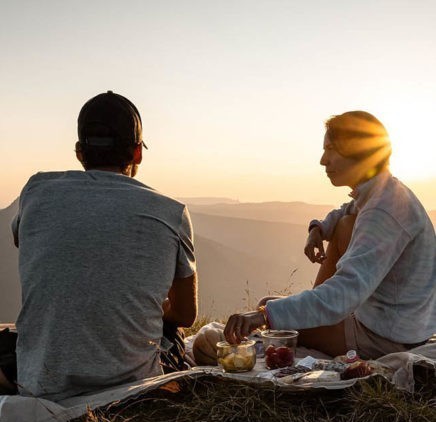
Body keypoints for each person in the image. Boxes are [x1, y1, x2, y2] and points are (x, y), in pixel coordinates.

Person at [0, 91, 197, 399]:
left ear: (80, 152)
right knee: (175, 334)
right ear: (137, 154)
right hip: (132, 388)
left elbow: (21, 240)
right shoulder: (172, 211)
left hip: (41, 384)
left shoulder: (36, 191)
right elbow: (186, 315)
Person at [224, 111, 435, 359]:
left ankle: (312, 316)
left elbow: (343, 294)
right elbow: (348, 209)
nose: (323, 160)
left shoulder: (383, 212)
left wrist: (264, 316)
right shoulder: (384, 193)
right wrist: (319, 229)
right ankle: (311, 313)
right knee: (344, 223)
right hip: (399, 326)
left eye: (331, 149)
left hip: (387, 339)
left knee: (270, 313)